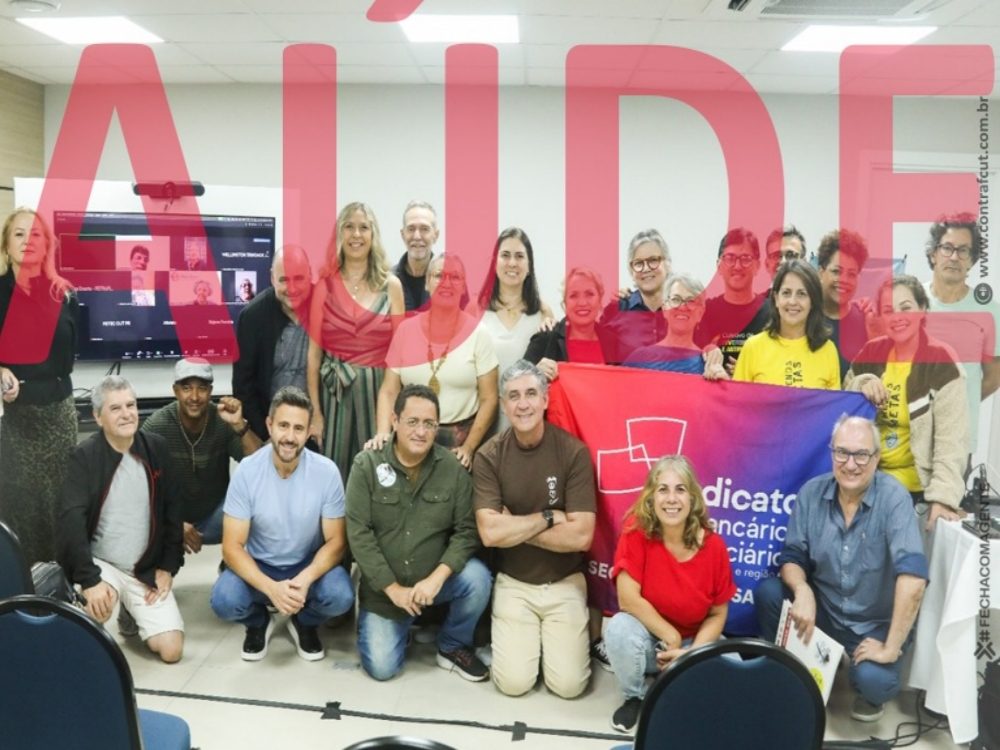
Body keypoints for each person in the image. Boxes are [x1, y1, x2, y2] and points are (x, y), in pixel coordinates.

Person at [756, 415, 928, 723]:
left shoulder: (895, 499)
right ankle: (810, 665)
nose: (850, 464)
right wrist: (803, 589)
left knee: (875, 682)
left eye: (861, 454)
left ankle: (865, 684)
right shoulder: (811, 493)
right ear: (831, 453)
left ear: (876, 459)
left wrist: (890, 648)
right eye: (842, 453)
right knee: (769, 592)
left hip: (874, 621)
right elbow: (791, 556)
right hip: (827, 614)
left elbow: (914, 580)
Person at [347, 384, 491, 682]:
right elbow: (359, 534)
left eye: (429, 424)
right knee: (383, 668)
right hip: (385, 592)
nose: (421, 432)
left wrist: (437, 579)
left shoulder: (451, 469)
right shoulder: (366, 465)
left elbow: (467, 532)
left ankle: (451, 645)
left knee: (477, 578)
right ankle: (401, 624)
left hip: (434, 583)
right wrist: (393, 590)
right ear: (395, 421)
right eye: (412, 422)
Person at [473, 360, 596, 698]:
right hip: (514, 583)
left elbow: (581, 537)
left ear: (545, 400)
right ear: (503, 404)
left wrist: (516, 524)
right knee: (514, 685)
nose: (523, 403)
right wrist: (548, 517)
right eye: (513, 396)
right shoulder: (489, 456)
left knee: (569, 687)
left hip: (565, 582)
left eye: (531, 393)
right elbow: (490, 534)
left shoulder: (574, 452)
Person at [209, 386, 354, 662]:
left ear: (309, 431)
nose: (289, 437)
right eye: (283, 426)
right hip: (260, 564)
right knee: (224, 601)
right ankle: (257, 621)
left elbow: (337, 543)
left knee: (340, 596)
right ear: (269, 425)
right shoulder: (247, 471)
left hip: (305, 564)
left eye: (298, 428)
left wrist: (305, 579)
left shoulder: (327, 472)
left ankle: (305, 622)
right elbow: (232, 548)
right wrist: (270, 587)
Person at [604, 455, 736, 733]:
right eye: (663, 489)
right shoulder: (635, 534)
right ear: (651, 497)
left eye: (680, 489)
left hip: (693, 642)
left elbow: (718, 612)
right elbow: (628, 599)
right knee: (618, 629)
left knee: (733, 668)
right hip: (651, 640)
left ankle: (679, 680)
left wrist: (690, 654)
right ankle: (634, 696)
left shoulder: (714, 547)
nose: (671, 499)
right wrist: (669, 636)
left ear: (693, 498)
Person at [57, 376, 184, 663]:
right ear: (98, 417)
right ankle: (98, 600)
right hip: (103, 564)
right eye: (115, 408)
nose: (127, 414)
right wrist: (89, 580)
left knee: (172, 651)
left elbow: (174, 510)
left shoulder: (157, 449)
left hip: (143, 567)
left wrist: (167, 567)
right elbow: (70, 521)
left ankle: (131, 611)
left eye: (131, 405)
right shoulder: (83, 457)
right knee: (95, 612)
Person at [844, 276, 969, 529]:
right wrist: (863, 384)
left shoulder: (942, 362)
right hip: (866, 486)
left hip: (917, 494)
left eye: (906, 307)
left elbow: (952, 441)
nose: (897, 317)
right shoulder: (871, 352)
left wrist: (943, 498)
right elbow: (843, 399)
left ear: (923, 310)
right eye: (888, 310)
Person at [0, 208, 78, 565]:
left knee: (62, 502)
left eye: (36, 235)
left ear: (47, 245)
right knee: (22, 506)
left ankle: (61, 580)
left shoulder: (62, 293)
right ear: (6, 245)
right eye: (19, 234)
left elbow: (67, 360)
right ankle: (29, 586)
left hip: (59, 415)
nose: (27, 241)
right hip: (15, 419)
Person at [371, 254, 498, 470]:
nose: (446, 283)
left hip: (458, 445)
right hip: (410, 436)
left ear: (463, 286)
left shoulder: (479, 334)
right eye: (439, 275)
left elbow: (489, 398)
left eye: (455, 277)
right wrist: (383, 432)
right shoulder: (405, 330)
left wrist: (468, 447)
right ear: (428, 282)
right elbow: (389, 390)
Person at [307, 202, 404, 481]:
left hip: (378, 395)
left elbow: (398, 357)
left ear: (373, 235)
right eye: (349, 227)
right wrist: (316, 414)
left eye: (364, 227)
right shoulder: (324, 286)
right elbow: (313, 356)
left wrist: (392, 412)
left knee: (379, 473)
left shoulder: (391, 286)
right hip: (334, 394)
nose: (356, 234)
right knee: (332, 476)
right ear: (339, 234)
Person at [142, 358, 262, 556]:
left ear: (211, 391)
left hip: (216, 517)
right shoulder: (157, 426)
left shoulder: (222, 420)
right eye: (187, 388)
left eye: (202, 388)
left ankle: (236, 564)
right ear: (176, 391)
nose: (195, 397)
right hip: (171, 520)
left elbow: (261, 466)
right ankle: (153, 576)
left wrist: (239, 425)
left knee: (260, 499)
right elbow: (138, 485)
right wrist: (173, 522)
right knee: (138, 517)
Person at [922, 213, 1000, 461]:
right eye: (947, 248)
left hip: (957, 441)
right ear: (934, 254)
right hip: (906, 436)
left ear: (972, 261)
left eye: (963, 250)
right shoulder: (911, 302)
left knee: (945, 501)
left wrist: (959, 404)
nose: (954, 256)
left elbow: (993, 375)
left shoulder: (989, 311)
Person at [474, 227, 554, 429]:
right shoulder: (475, 311)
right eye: (505, 255)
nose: (512, 263)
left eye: (519, 256)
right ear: (495, 262)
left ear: (529, 266)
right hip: (484, 424)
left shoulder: (543, 312)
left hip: (529, 423)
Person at [233, 245, 313, 441]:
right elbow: (244, 386)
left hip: (319, 429)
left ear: (310, 275)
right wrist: (265, 434)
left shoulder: (327, 306)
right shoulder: (252, 317)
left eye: (299, 279)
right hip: (271, 433)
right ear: (271, 278)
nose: (292, 288)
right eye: (284, 280)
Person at [734, 259, 840, 389]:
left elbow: (835, 407)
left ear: (812, 302)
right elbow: (737, 404)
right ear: (776, 299)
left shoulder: (828, 351)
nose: (792, 301)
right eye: (786, 293)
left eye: (801, 294)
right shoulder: (753, 348)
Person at [624, 273, 729, 379]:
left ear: (700, 313)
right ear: (665, 308)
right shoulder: (639, 359)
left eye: (691, 301)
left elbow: (721, 395)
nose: (683, 307)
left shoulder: (708, 364)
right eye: (676, 299)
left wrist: (723, 385)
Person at [694, 228, 770, 371]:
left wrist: (747, 372)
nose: (737, 266)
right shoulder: (704, 312)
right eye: (730, 258)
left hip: (759, 391)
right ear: (719, 266)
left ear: (757, 266)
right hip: (713, 390)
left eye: (746, 259)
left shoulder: (772, 312)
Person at [525, 266, 613, 382]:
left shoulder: (613, 343)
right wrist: (534, 374)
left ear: (600, 300)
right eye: (573, 295)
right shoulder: (545, 339)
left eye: (589, 294)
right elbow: (513, 382)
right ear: (565, 303)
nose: (582, 302)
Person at [600, 229, 671, 364]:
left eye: (653, 260)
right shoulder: (617, 309)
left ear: (667, 263)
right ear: (631, 269)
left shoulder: (684, 309)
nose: (645, 268)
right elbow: (591, 350)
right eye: (638, 263)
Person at [817, 229, 873, 379]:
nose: (844, 280)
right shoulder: (804, 316)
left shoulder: (866, 320)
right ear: (821, 272)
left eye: (851, 274)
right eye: (836, 271)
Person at [394, 200, 440, 311]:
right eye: (411, 229)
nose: (417, 236)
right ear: (403, 234)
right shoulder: (386, 282)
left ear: (436, 235)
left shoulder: (451, 282)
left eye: (424, 229)